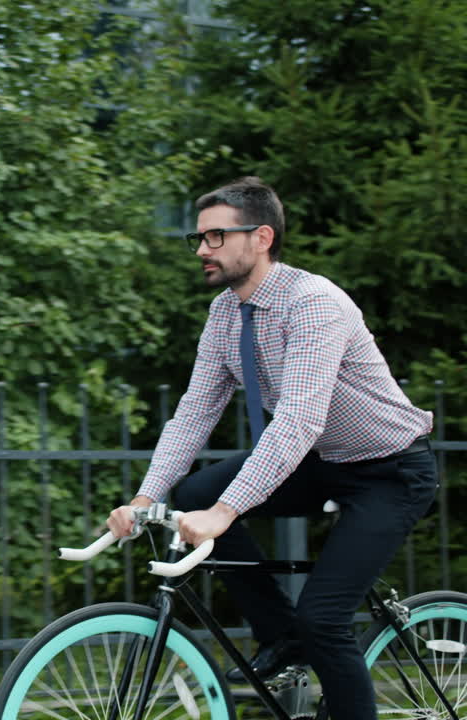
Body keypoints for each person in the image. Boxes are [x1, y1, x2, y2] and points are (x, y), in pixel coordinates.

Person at [106, 176, 438, 720]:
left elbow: (299, 419)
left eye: (216, 237)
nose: (201, 250)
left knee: (325, 618)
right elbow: (193, 414)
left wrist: (225, 512)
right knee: (193, 492)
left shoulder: (314, 303)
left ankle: (308, 641)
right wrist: (146, 500)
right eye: (198, 238)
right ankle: (281, 638)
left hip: (389, 472)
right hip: (323, 463)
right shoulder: (223, 314)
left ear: (261, 237)